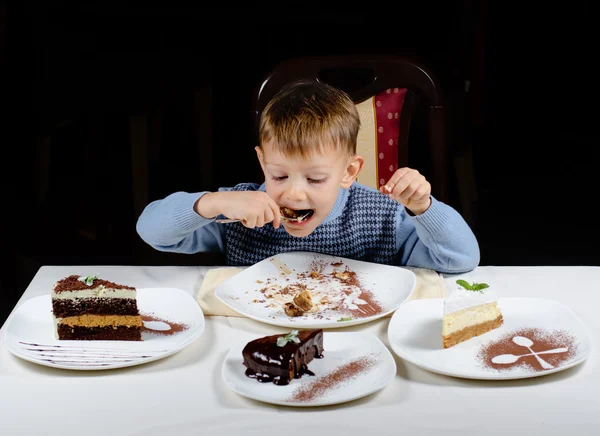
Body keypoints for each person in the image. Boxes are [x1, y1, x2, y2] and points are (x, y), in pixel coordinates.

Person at [136, 79, 479, 273]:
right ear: (262, 163)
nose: (295, 195)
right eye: (279, 176)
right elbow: (151, 231)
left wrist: (423, 207)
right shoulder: (241, 210)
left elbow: (461, 259)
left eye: (315, 179)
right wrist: (211, 203)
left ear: (349, 172)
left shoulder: (382, 216)